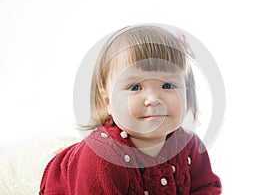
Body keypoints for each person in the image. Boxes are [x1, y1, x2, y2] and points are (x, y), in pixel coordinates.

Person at [39, 25, 222, 194]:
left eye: (167, 85)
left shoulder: (188, 144)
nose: (153, 99)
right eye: (135, 87)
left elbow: (207, 187)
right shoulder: (103, 158)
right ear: (108, 101)